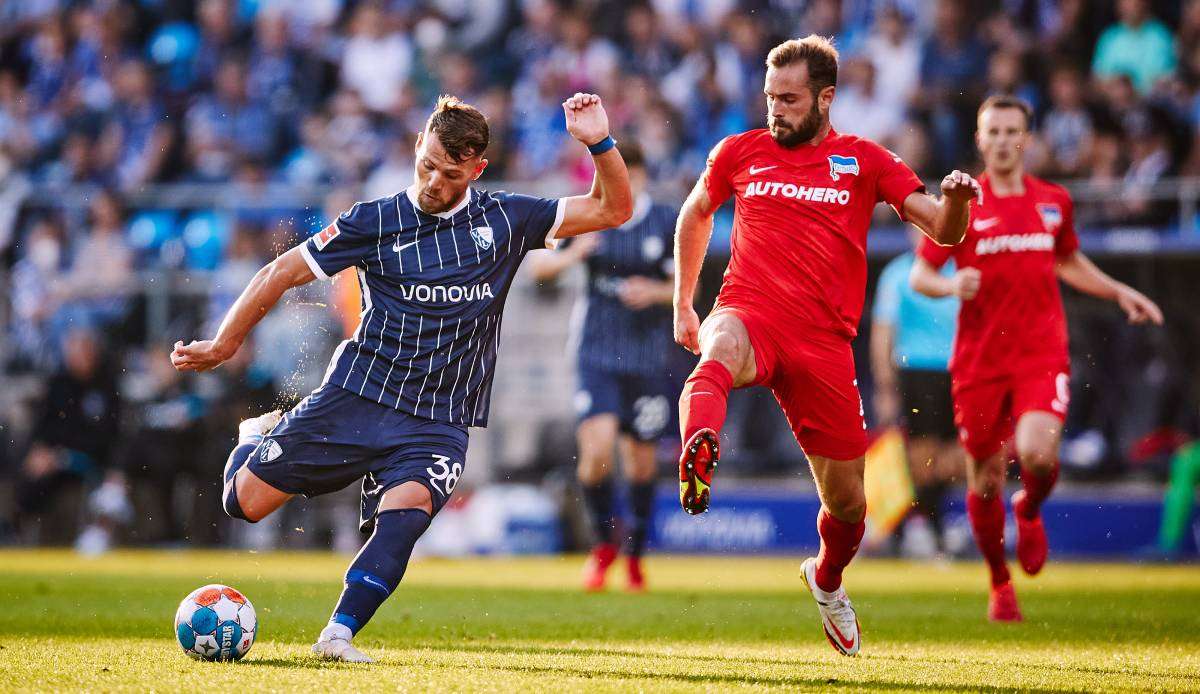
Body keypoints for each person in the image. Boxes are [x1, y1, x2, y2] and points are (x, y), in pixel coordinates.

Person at [171, 93, 632, 662]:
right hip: (358, 394)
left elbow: (613, 209)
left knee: (407, 512)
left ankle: (337, 635)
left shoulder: (509, 219)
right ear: (418, 145)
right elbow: (281, 270)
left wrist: (599, 142)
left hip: (439, 419)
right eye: (428, 164)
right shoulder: (375, 220)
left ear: (477, 170)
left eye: (452, 173)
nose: (435, 181)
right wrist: (225, 343)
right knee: (243, 504)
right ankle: (254, 436)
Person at [672, 35, 979, 657]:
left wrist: (956, 202)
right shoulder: (740, 151)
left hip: (824, 346)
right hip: (750, 312)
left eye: (788, 100)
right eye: (768, 98)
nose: (774, 110)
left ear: (826, 98)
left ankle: (827, 578)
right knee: (719, 347)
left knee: (848, 504)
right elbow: (694, 214)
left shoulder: (865, 161)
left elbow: (943, 232)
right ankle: (698, 453)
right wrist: (684, 301)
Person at [910, 95, 1164, 622]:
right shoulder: (962, 203)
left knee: (1039, 454)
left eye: (1012, 131)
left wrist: (1118, 291)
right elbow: (921, 274)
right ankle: (999, 582)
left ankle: (1028, 508)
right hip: (979, 361)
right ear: (979, 140)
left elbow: (1068, 260)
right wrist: (952, 283)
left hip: (1040, 353)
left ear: (1026, 139)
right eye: (993, 132)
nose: (1003, 140)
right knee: (983, 479)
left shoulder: (1053, 201)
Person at [529, 142, 676, 592]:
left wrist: (652, 292)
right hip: (595, 350)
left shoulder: (666, 221)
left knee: (641, 462)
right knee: (595, 453)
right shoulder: (590, 215)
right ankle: (602, 546)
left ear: (642, 176)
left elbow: (684, 289)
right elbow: (538, 267)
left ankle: (635, 554)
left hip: (647, 356)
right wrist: (574, 255)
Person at [870, 228, 961, 556]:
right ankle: (923, 528)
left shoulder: (961, 273)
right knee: (923, 456)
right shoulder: (898, 273)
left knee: (953, 459)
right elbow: (883, 332)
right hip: (917, 371)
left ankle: (928, 522)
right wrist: (885, 386)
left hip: (959, 372)